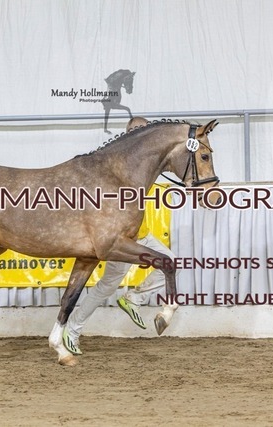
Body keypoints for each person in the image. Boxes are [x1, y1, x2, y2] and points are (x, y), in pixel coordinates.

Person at [62, 117, 179, 356]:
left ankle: (134, 297)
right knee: (105, 288)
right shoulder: (115, 165)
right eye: (135, 131)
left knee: (170, 262)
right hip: (121, 241)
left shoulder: (147, 163)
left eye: (143, 132)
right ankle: (72, 330)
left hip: (141, 236)